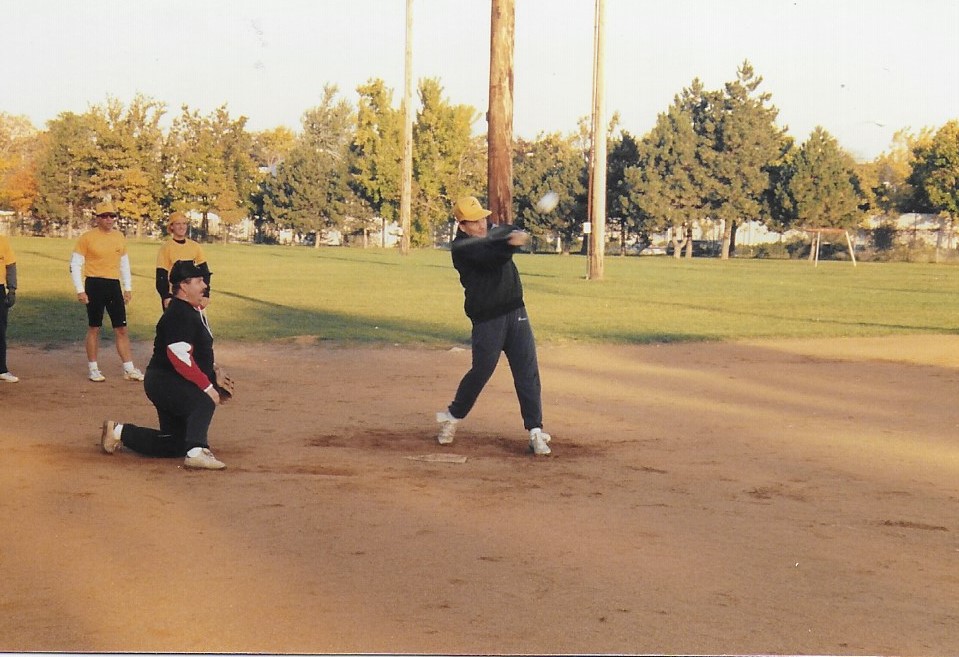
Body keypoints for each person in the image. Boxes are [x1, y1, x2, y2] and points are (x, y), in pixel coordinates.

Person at [436, 195, 552, 455]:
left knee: (527, 370)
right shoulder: (463, 248)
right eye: (474, 222)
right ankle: (452, 417)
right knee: (482, 371)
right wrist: (509, 244)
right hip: (488, 318)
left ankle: (535, 431)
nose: (481, 225)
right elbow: (492, 257)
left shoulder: (491, 233)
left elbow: (504, 230)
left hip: (516, 311)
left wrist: (515, 232)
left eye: (483, 219)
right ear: (462, 226)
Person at [100, 260, 227, 470]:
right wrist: (207, 386)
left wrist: (210, 369)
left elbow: (192, 351)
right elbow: (178, 356)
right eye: (199, 281)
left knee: (176, 443)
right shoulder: (179, 314)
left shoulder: (190, 311)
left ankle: (119, 432)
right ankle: (197, 451)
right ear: (184, 287)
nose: (205, 285)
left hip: (168, 381)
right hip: (166, 382)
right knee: (204, 399)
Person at [69, 201, 144, 382]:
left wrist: (128, 287)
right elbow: (75, 264)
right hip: (94, 284)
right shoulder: (87, 238)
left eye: (112, 216)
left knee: (121, 328)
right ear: (97, 219)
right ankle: (93, 368)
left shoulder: (119, 237)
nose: (109, 219)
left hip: (113, 285)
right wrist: (80, 290)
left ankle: (128, 368)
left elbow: (124, 264)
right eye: (104, 216)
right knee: (95, 327)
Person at [155, 210, 211, 310]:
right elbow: (161, 275)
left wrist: (205, 294)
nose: (182, 227)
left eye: (184, 224)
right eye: (178, 224)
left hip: (194, 296)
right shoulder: (166, 248)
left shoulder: (195, 247)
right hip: (175, 296)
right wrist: (165, 296)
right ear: (171, 226)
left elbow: (205, 272)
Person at [0, 234, 19, 383]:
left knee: (0, 330)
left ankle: (2, 369)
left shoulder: (2, 240)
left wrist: (11, 289)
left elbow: (10, 265)